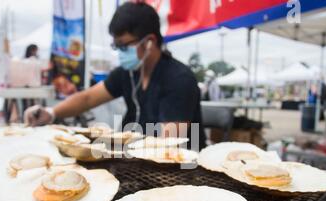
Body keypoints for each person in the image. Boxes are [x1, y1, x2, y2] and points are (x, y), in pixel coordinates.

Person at [24, 2, 206, 150]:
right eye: (116, 46)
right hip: (135, 159)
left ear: (150, 41)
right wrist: (51, 113)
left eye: (124, 46)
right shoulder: (127, 73)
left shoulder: (179, 79)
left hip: (179, 168)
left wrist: (111, 148)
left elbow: (168, 142)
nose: (120, 52)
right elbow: (87, 98)